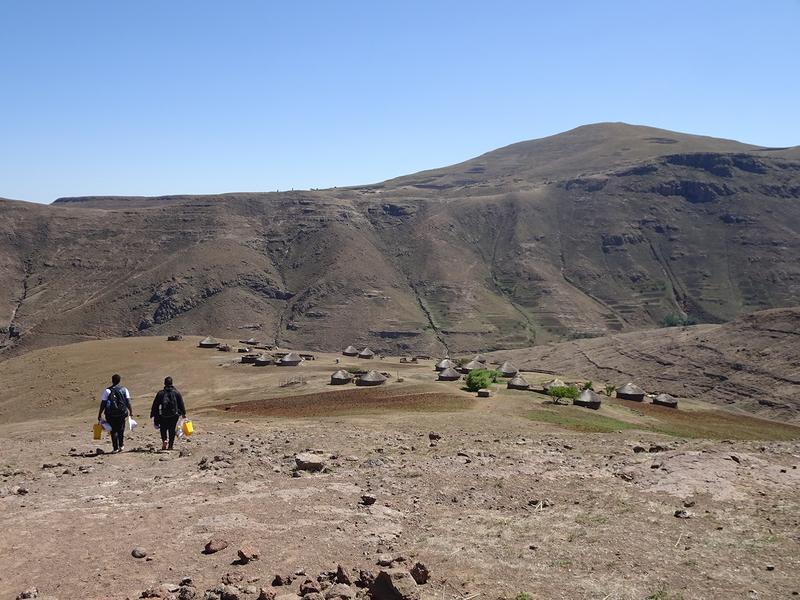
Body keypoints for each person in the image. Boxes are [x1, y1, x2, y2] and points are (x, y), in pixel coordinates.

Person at [97, 374, 133, 453]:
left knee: (113, 430)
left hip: (110, 414)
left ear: (112, 381)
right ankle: (121, 445)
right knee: (121, 429)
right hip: (122, 413)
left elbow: (103, 403)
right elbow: (128, 402)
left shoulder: (107, 390)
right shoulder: (124, 389)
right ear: (119, 381)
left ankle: (115, 448)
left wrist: (100, 413)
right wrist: (131, 411)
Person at [150, 376, 186, 451]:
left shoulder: (160, 393)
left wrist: (153, 414)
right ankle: (170, 446)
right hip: (174, 415)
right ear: (172, 383)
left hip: (163, 415)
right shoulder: (176, 392)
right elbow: (181, 404)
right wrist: (183, 413)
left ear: (164, 383)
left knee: (163, 429)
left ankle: (164, 441)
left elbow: (155, 405)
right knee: (172, 430)